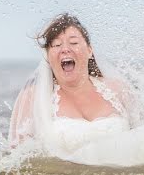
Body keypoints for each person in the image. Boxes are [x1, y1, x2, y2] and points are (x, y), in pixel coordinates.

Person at [9, 13, 134, 153]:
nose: (65, 49)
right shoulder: (34, 96)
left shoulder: (118, 89)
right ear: (48, 57)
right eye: (56, 44)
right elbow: (18, 155)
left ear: (89, 50)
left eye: (74, 43)